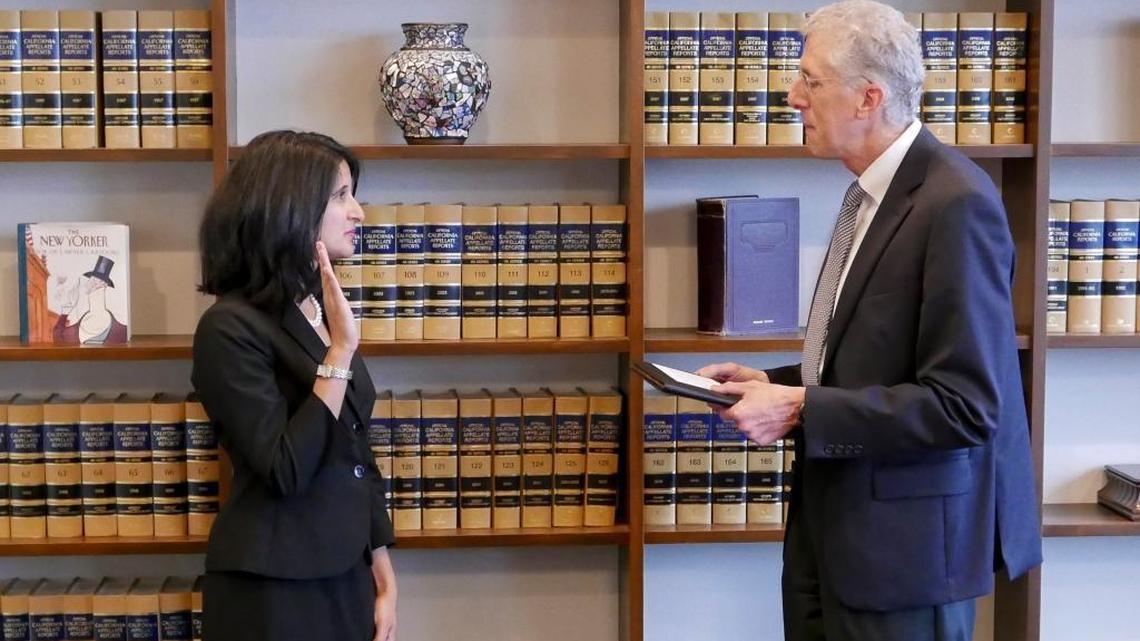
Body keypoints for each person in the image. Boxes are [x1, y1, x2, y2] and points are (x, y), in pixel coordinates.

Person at [697, 2, 1042, 639]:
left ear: (868, 98)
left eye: (810, 79)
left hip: (903, 563)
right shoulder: (868, 193)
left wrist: (799, 407)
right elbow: (872, 356)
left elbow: (965, 406)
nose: (792, 96)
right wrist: (774, 381)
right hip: (828, 537)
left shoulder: (955, 204)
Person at [192, 130, 397, 641]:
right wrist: (340, 354)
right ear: (290, 206)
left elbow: (354, 445)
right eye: (340, 196)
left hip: (344, 573)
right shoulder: (228, 328)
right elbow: (284, 466)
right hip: (273, 589)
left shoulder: (313, 312)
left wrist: (381, 563)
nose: (359, 213)